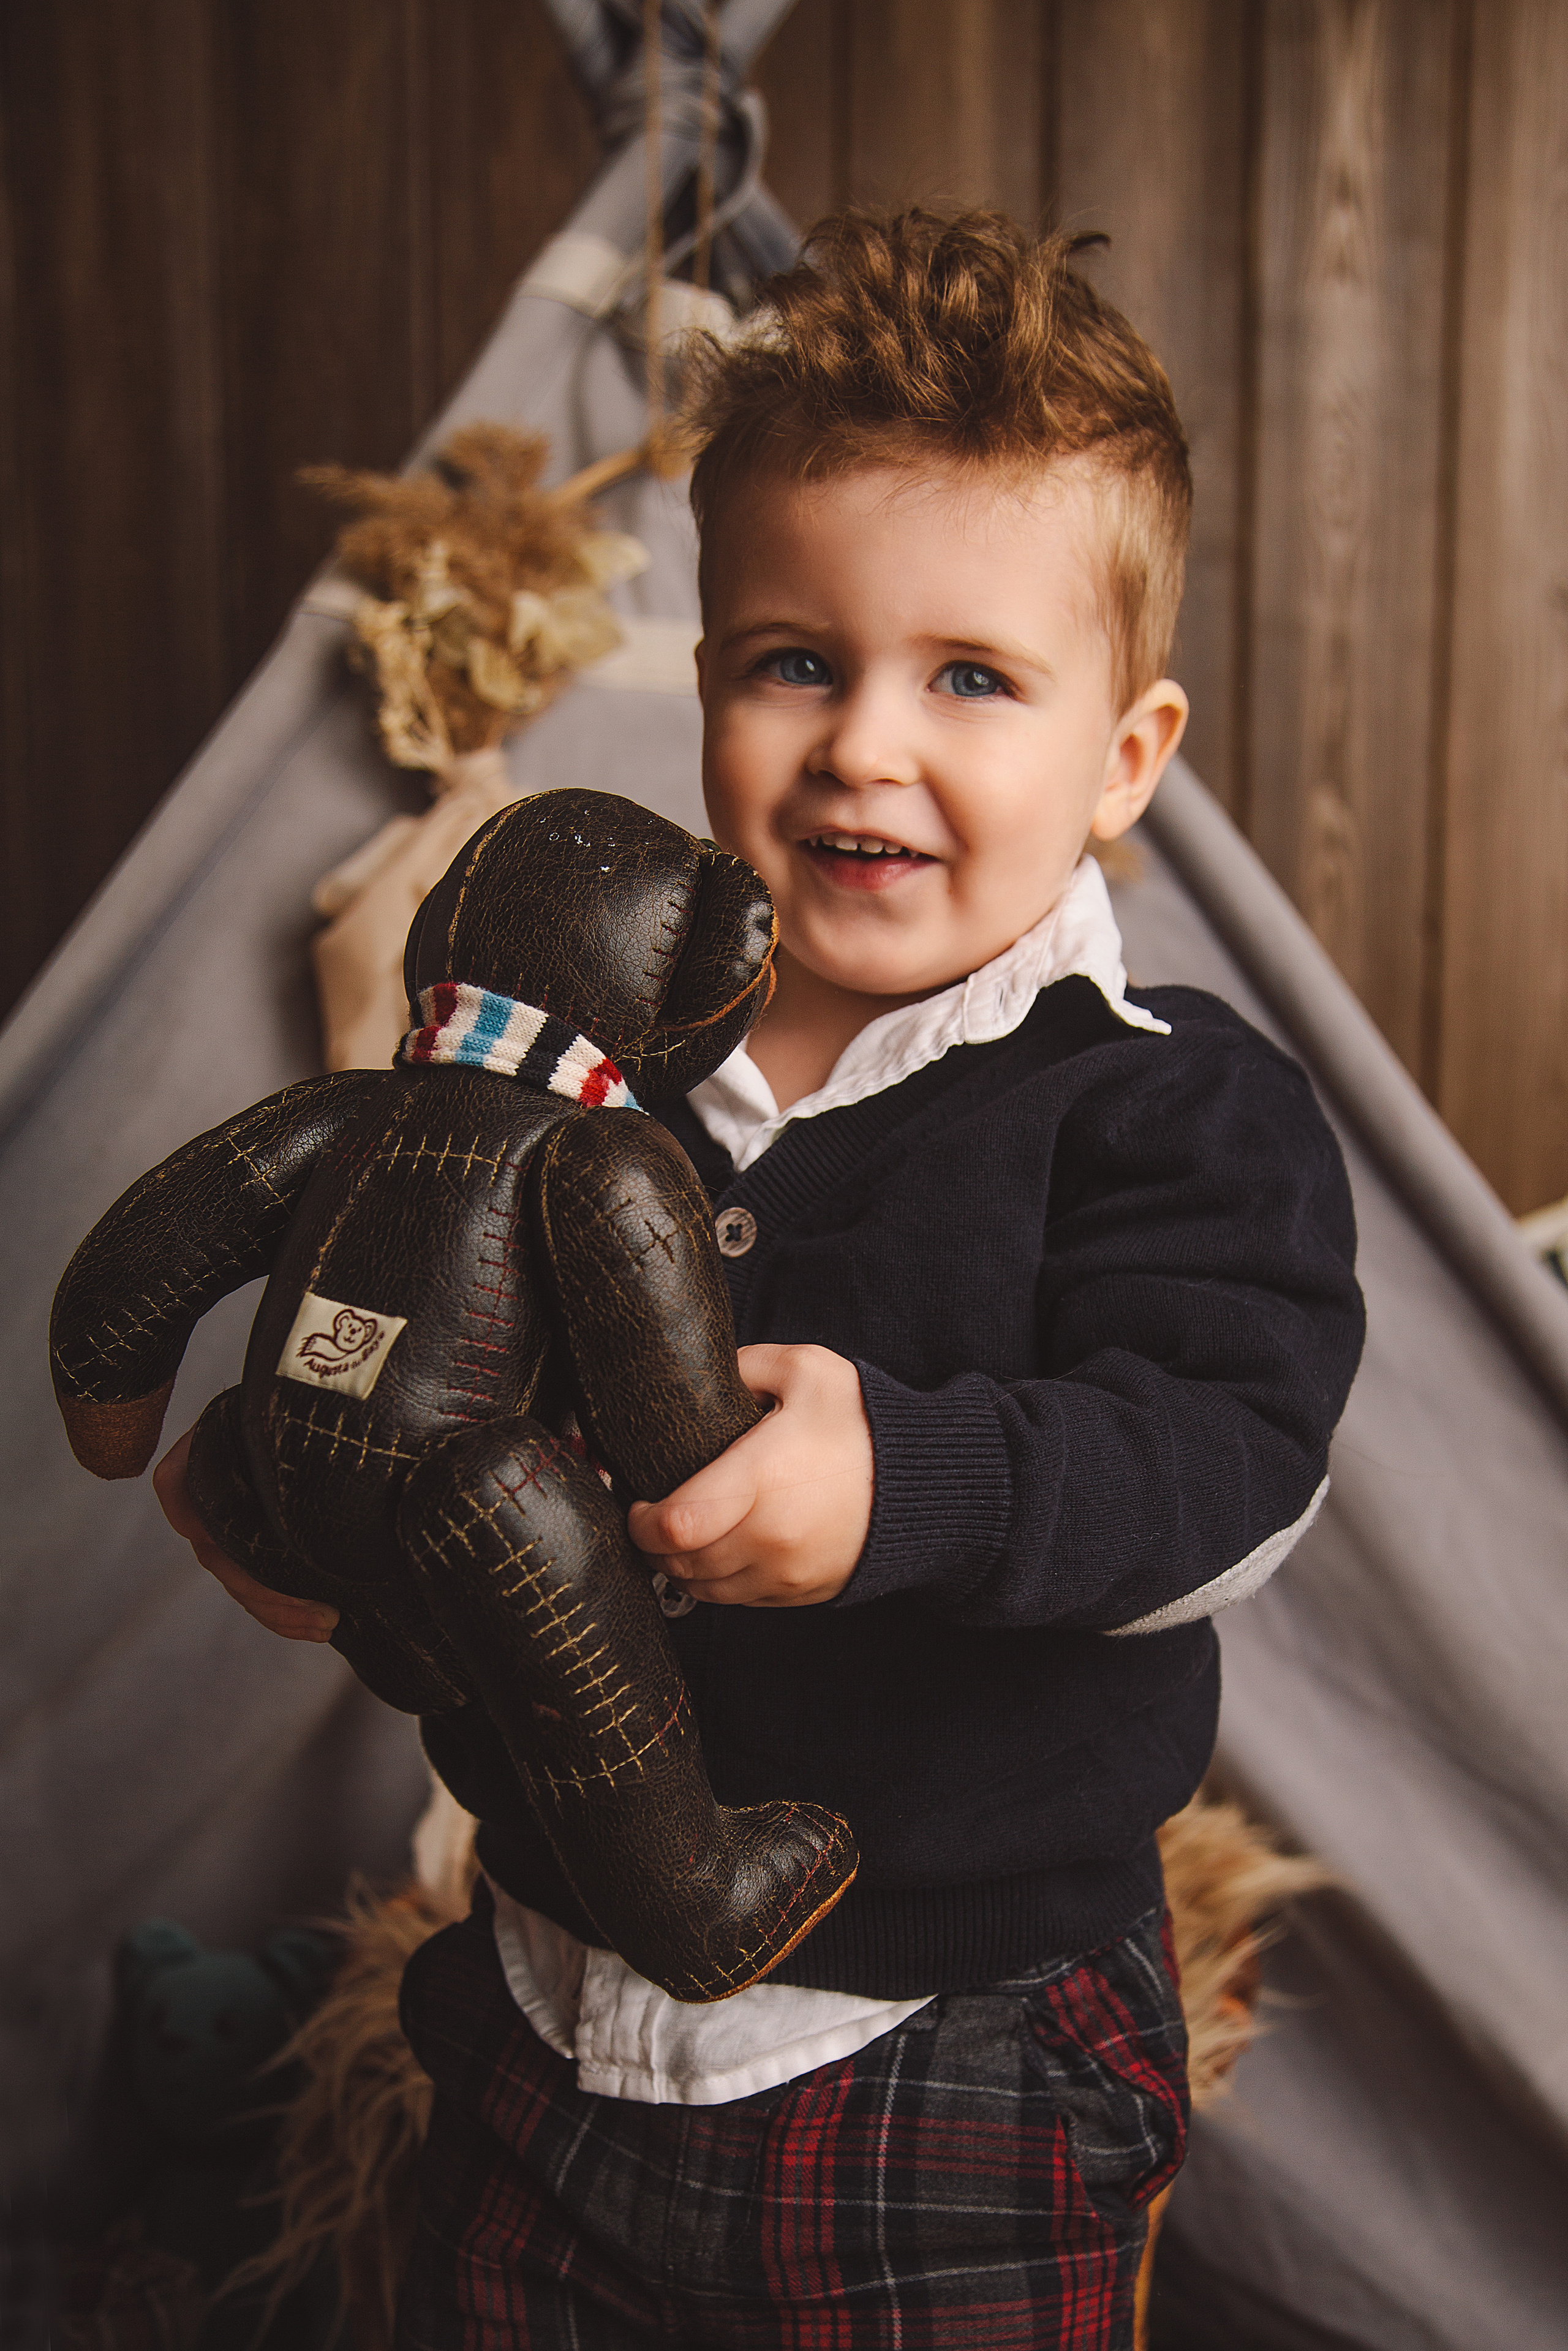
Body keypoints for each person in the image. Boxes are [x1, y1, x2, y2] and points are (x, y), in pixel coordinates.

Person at [157, 208, 1365, 2348]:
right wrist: (328, 1523)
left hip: (953, 2044)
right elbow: (466, 1431)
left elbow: (1228, 1471)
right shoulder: (583, 1086)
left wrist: (909, 1485)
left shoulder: (1170, 1110)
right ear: (707, 676)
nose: (863, 749)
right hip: (547, 1998)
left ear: (1126, 758)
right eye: (795, 659)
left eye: (972, 679)